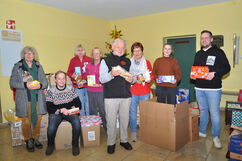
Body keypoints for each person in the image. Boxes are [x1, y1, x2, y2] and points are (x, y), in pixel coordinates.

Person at [191, 30, 230, 148]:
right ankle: (202, 131)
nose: (204, 40)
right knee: (202, 111)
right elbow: (195, 68)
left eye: (206, 38)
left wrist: (215, 73)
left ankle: (216, 136)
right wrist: (193, 74)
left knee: (214, 113)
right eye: (202, 38)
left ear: (211, 39)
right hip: (199, 88)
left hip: (213, 89)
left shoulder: (219, 52)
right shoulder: (198, 53)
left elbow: (227, 68)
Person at [10, 46, 48, 152]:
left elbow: (45, 82)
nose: (29, 55)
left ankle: (36, 138)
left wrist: (39, 85)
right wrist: (25, 85)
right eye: (27, 53)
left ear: (34, 55)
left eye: (31, 53)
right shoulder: (18, 66)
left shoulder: (38, 66)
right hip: (24, 98)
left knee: (38, 119)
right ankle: (28, 140)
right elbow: (12, 82)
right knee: (26, 121)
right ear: (23, 55)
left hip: (38, 97)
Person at [99, 38, 133, 154]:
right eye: (118, 47)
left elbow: (132, 77)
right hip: (111, 97)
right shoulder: (105, 61)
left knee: (124, 120)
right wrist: (111, 74)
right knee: (111, 121)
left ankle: (124, 140)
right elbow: (102, 79)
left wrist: (131, 79)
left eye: (123, 48)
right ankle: (111, 143)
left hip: (126, 96)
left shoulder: (128, 61)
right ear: (113, 47)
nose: (120, 49)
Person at [45, 71, 82, 156]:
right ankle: (50, 145)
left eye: (63, 78)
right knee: (51, 128)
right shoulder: (51, 91)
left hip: (69, 112)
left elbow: (79, 104)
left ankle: (75, 145)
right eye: (59, 78)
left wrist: (72, 109)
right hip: (57, 112)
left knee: (77, 123)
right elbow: (49, 107)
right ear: (55, 80)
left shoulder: (71, 89)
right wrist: (61, 110)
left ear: (66, 79)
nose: (61, 81)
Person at [129, 42, 154, 142]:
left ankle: (145, 132)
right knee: (133, 113)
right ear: (132, 52)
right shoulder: (129, 62)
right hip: (133, 91)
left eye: (139, 50)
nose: (137, 52)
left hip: (144, 91)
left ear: (142, 51)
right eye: (135, 51)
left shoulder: (147, 62)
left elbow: (151, 76)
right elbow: (127, 76)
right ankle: (134, 133)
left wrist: (147, 79)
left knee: (145, 113)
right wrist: (132, 79)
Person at [67, 44, 92, 116]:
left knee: (88, 102)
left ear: (84, 51)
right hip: (78, 84)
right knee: (80, 102)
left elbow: (92, 71)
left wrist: (87, 80)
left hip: (88, 84)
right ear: (76, 52)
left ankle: (88, 118)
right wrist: (72, 75)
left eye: (81, 50)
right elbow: (69, 72)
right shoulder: (73, 60)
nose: (80, 52)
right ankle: (82, 119)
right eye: (78, 50)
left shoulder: (88, 59)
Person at [86, 47, 106, 130]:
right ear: (92, 55)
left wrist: (100, 84)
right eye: (94, 53)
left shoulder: (104, 65)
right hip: (90, 90)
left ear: (101, 54)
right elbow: (86, 78)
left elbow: (107, 78)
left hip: (101, 91)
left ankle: (106, 127)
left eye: (98, 53)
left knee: (102, 110)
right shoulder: (88, 66)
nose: (96, 55)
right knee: (92, 110)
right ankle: (94, 129)